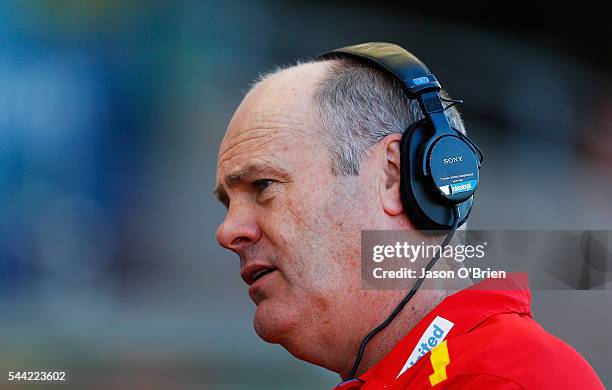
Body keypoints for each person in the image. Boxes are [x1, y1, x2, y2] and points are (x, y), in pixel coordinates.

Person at [213, 43, 604, 389]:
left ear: (392, 175)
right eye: (227, 203)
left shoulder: (504, 378)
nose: (228, 230)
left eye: (262, 185)